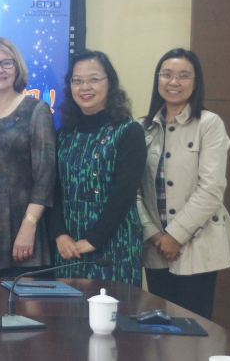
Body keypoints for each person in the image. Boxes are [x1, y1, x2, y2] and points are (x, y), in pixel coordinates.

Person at [137, 48, 230, 319]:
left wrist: (175, 236)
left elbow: (211, 189)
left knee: (193, 327)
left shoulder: (209, 124)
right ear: (158, 79)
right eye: (167, 74)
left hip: (198, 244)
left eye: (183, 76)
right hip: (155, 247)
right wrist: (155, 235)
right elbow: (133, 192)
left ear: (196, 83)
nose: (174, 82)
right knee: (160, 327)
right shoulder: (142, 128)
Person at [49, 49, 146, 286]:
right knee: (67, 308)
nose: (85, 87)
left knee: (113, 307)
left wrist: (94, 239)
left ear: (110, 83)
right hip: (68, 246)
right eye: (77, 80)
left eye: (94, 79)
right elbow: (53, 189)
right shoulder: (64, 133)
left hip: (114, 244)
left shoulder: (128, 131)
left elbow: (124, 193)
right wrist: (59, 234)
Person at [0, 38, 56, 276]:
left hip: (23, 235)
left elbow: (45, 177)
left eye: (6, 62)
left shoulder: (36, 110)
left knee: (22, 301)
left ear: (16, 67)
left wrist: (29, 227)